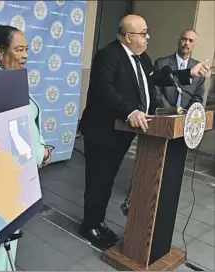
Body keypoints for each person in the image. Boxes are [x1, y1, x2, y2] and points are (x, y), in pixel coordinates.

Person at [79, 14, 211, 251]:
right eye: (143, 33)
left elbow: (157, 79)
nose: (148, 36)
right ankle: (90, 226)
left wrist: (189, 74)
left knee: (106, 180)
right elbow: (104, 89)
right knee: (99, 180)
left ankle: (97, 221)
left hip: (121, 133)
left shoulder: (141, 58)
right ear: (128, 36)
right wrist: (129, 111)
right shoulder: (108, 56)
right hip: (103, 131)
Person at [0, 25, 53, 271]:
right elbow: (21, 136)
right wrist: (42, 153)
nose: (25, 55)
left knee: (1, 242)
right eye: (18, 49)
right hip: (5, 180)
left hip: (3, 177)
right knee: (0, 245)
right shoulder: (3, 88)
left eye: (26, 49)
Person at [154, 29, 205, 109]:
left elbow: (198, 97)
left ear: (195, 44)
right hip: (163, 114)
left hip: (186, 117)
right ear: (178, 41)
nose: (187, 43)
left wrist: (187, 114)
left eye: (191, 41)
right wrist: (170, 112)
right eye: (184, 39)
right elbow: (156, 92)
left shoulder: (197, 67)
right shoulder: (161, 63)